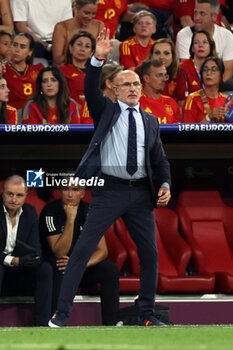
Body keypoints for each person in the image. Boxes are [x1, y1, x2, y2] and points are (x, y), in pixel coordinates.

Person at [49, 28, 171, 328]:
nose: (132, 87)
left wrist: (166, 184)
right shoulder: (105, 110)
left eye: (136, 83)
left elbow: (160, 161)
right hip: (109, 191)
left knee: (150, 254)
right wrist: (98, 59)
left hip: (141, 194)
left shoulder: (151, 121)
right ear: (114, 90)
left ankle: (146, 314)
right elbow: (90, 89)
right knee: (81, 250)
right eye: (125, 83)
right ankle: (61, 315)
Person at [39, 182, 119, 325]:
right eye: (66, 189)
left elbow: (102, 251)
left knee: (109, 269)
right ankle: (55, 322)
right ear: (59, 191)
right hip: (60, 265)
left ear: (82, 193)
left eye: (75, 190)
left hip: (81, 267)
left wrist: (78, 264)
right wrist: (70, 220)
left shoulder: (90, 211)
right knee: (57, 268)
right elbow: (59, 252)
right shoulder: (50, 212)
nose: (70, 194)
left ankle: (111, 324)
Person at [0, 175, 52, 326]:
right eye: (10, 194)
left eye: (19, 195)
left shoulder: (29, 212)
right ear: (3, 192)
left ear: (25, 196)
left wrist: (31, 259)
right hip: (3, 264)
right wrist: (14, 260)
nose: (14, 200)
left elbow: (36, 249)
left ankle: (43, 324)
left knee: (45, 269)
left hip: (20, 269)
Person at [176, 0, 233, 82]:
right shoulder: (184, 34)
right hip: (192, 83)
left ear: (214, 17)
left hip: (219, 83)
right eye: (195, 13)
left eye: (202, 14)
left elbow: (228, 70)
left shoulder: (226, 36)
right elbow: (187, 70)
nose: (196, 18)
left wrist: (212, 86)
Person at [2, 32, 44, 123]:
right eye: (15, 45)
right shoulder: (3, 70)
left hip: (34, 113)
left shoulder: (38, 69)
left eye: (22, 47)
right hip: (9, 115)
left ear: (30, 52)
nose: (17, 50)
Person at [52, 0, 104, 66]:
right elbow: (57, 60)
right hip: (66, 69)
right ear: (76, 8)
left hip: (90, 70)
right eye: (86, 13)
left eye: (93, 13)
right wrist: (77, 56)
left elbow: (102, 57)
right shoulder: (62, 27)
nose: (90, 17)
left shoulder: (99, 26)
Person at [59, 31, 96, 124]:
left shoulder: (97, 73)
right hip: (69, 115)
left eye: (87, 46)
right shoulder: (61, 71)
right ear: (71, 48)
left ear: (91, 53)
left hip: (92, 116)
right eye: (79, 44)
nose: (82, 49)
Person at [183, 56, 227, 122]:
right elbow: (187, 130)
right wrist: (208, 117)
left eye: (213, 70)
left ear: (222, 76)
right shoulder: (193, 99)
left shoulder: (227, 101)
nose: (208, 73)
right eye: (205, 70)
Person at [148, 38, 188, 107]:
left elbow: (181, 103)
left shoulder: (179, 72)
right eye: (157, 53)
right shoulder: (141, 71)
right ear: (151, 56)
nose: (161, 57)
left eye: (166, 53)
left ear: (173, 57)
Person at [139, 59, 181, 124]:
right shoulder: (137, 103)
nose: (164, 79)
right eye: (159, 75)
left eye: (165, 75)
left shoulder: (171, 103)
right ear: (147, 78)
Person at [180, 30, 217, 94]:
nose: (200, 45)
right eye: (196, 42)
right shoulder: (182, 68)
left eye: (205, 42)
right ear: (192, 48)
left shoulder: (216, 67)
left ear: (210, 47)